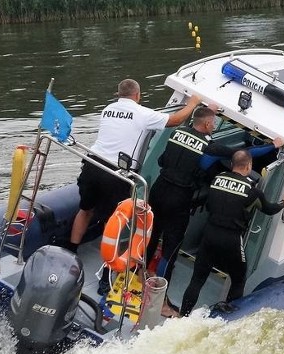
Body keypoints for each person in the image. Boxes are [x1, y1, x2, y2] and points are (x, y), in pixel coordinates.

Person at [65, 78, 202, 295]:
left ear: (118, 94)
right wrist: (193, 103)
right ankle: (108, 276)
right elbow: (175, 120)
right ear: (138, 96)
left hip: (92, 165)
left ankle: (70, 253)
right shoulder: (142, 113)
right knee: (117, 224)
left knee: (86, 210)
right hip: (116, 174)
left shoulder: (108, 109)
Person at [147, 107, 284, 313]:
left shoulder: (177, 133)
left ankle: (136, 277)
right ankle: (160, 300)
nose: (214, 126)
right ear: (208, 124)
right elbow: (244, 154)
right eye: (213, 123)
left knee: (151, 235)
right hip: (179, 199)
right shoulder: (209, 147)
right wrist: (274, 145)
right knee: (170, 249)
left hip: (158, 190)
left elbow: (161, 160)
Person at [178, 150, 284, 317]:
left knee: (197, 279)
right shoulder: (253, 192)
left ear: (232, 164)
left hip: (209, 234)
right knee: (238, 279)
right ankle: (227, 316)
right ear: (249, 166)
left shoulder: (218, 179)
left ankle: (183, 315)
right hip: (231, 239)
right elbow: (268, 209)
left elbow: (209, 204)